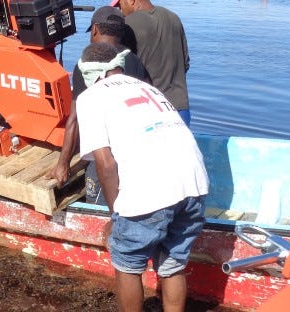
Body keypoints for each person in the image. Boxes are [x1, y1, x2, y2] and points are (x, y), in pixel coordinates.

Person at [75, 42, 209, 312]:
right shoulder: (147, 87)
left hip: (151, 190)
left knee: (127, 264)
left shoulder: (90, 97)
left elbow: (105, 163)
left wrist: (115, 216)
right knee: (173, 264)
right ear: (119, 67)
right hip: (194, 184)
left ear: (90, 74)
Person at [50, 6, 149, 205]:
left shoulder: (87, 64)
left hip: (107, 156)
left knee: (100, 205)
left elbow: (75, 119)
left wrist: (63, 164)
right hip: (138, 151)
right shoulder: (135, 61)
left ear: (95, 30)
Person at [111, 0, 192, 127]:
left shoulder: (127, 25)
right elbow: (185, 64)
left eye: (120, 4)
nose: (120, 10)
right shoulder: (173, 18)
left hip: (149, 111)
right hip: (181, 110)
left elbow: (120, 74)